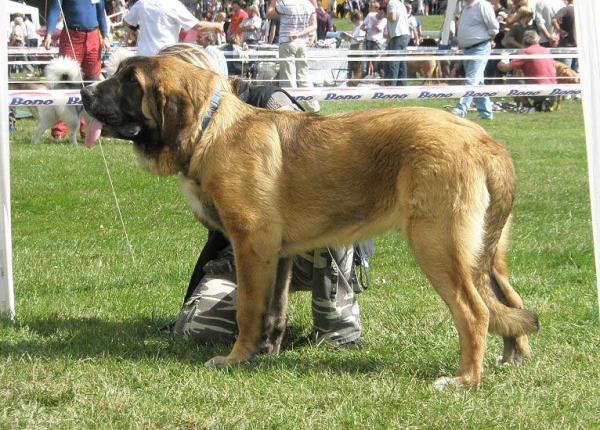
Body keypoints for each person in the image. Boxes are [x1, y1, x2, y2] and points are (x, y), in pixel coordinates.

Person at [155, 43, 373, 348]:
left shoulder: (267, 100)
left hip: (311, 244)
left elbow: (321, 167)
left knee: (323, 205)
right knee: (197, 329)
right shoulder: (189, 135)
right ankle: (259, 327)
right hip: (242, 255)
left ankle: (338, 330)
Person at [43, 0, 111, 140]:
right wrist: (49, 33)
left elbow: (100, 12)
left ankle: (87, 129)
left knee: (92, 83)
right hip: (71, 35)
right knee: (65, 83)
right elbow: (55, 9)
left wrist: (105, 36)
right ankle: (59, 130)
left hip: (93, 36)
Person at [266, 0, 321, 113]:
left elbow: (269, 14)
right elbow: (313, 26)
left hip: (286, 43)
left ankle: (292, 109)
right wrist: (299, 35)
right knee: (303, 76)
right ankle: (314, 108)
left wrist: (273, 2)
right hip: (302, 43)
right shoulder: (308, 5)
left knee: (288, 78)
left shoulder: (285, 4)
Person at [451, 0, 498, 120]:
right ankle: (486, 113)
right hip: (467, 49)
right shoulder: (466, 7)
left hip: (479, 48)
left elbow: (494, 27)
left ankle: (461, 109)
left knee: (471, 80)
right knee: (478, 82)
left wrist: (486, 39)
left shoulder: (482, 5)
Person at [123, 0, 224, 56]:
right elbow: (198, 26)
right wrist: (216, 25)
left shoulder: (142, 3)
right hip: (165, 58)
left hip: (143, 57)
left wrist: (137, 28)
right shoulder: (174, 5)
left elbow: (126, 22)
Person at [497, 30, 557, 112]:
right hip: (553, 90)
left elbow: (505, 68)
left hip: (538, 89)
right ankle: (542, 103)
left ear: (524, 40)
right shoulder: (546, 50)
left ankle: (527, 106)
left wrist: (501, 63)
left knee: (510, 80)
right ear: (538, 39)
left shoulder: (526, 52)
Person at [385, 0, 410, 87]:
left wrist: (385, 16)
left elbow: (393, 17)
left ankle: (391, 86)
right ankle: (402, 85)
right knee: (402, 63)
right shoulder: (401, 4)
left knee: (394, 62)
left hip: (397, 35)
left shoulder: (391, 3)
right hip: (405, 35)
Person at [361, 1, 386, 81]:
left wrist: (373, 23)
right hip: (368, 40)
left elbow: (379, 30)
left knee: (376, 62)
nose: (381, 14)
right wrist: (367, 29)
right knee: (367, 61)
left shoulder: (384, 19)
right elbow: (362, 26)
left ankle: (378, 78)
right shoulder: (370, 15)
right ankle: (365, 78)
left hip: (377, 42)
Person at [552, 0, 577, 72]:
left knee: (565, 71)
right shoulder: (582, 11)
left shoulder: (565, 9)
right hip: (579, 45)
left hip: (566, 44)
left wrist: (559, 30)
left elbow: (554, 20)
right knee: (578, 71)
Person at [342, 10, 366, 86]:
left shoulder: (361, 26)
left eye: (355, 20)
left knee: (357, 67)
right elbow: (354, 38)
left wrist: (351, 36)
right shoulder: (356, 27)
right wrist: (348, 37)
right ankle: (351, 81)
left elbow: (360, 39)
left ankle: (354, 82)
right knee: (352, 66)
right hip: (353, 47)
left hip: (358, 48)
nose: (354, 22)